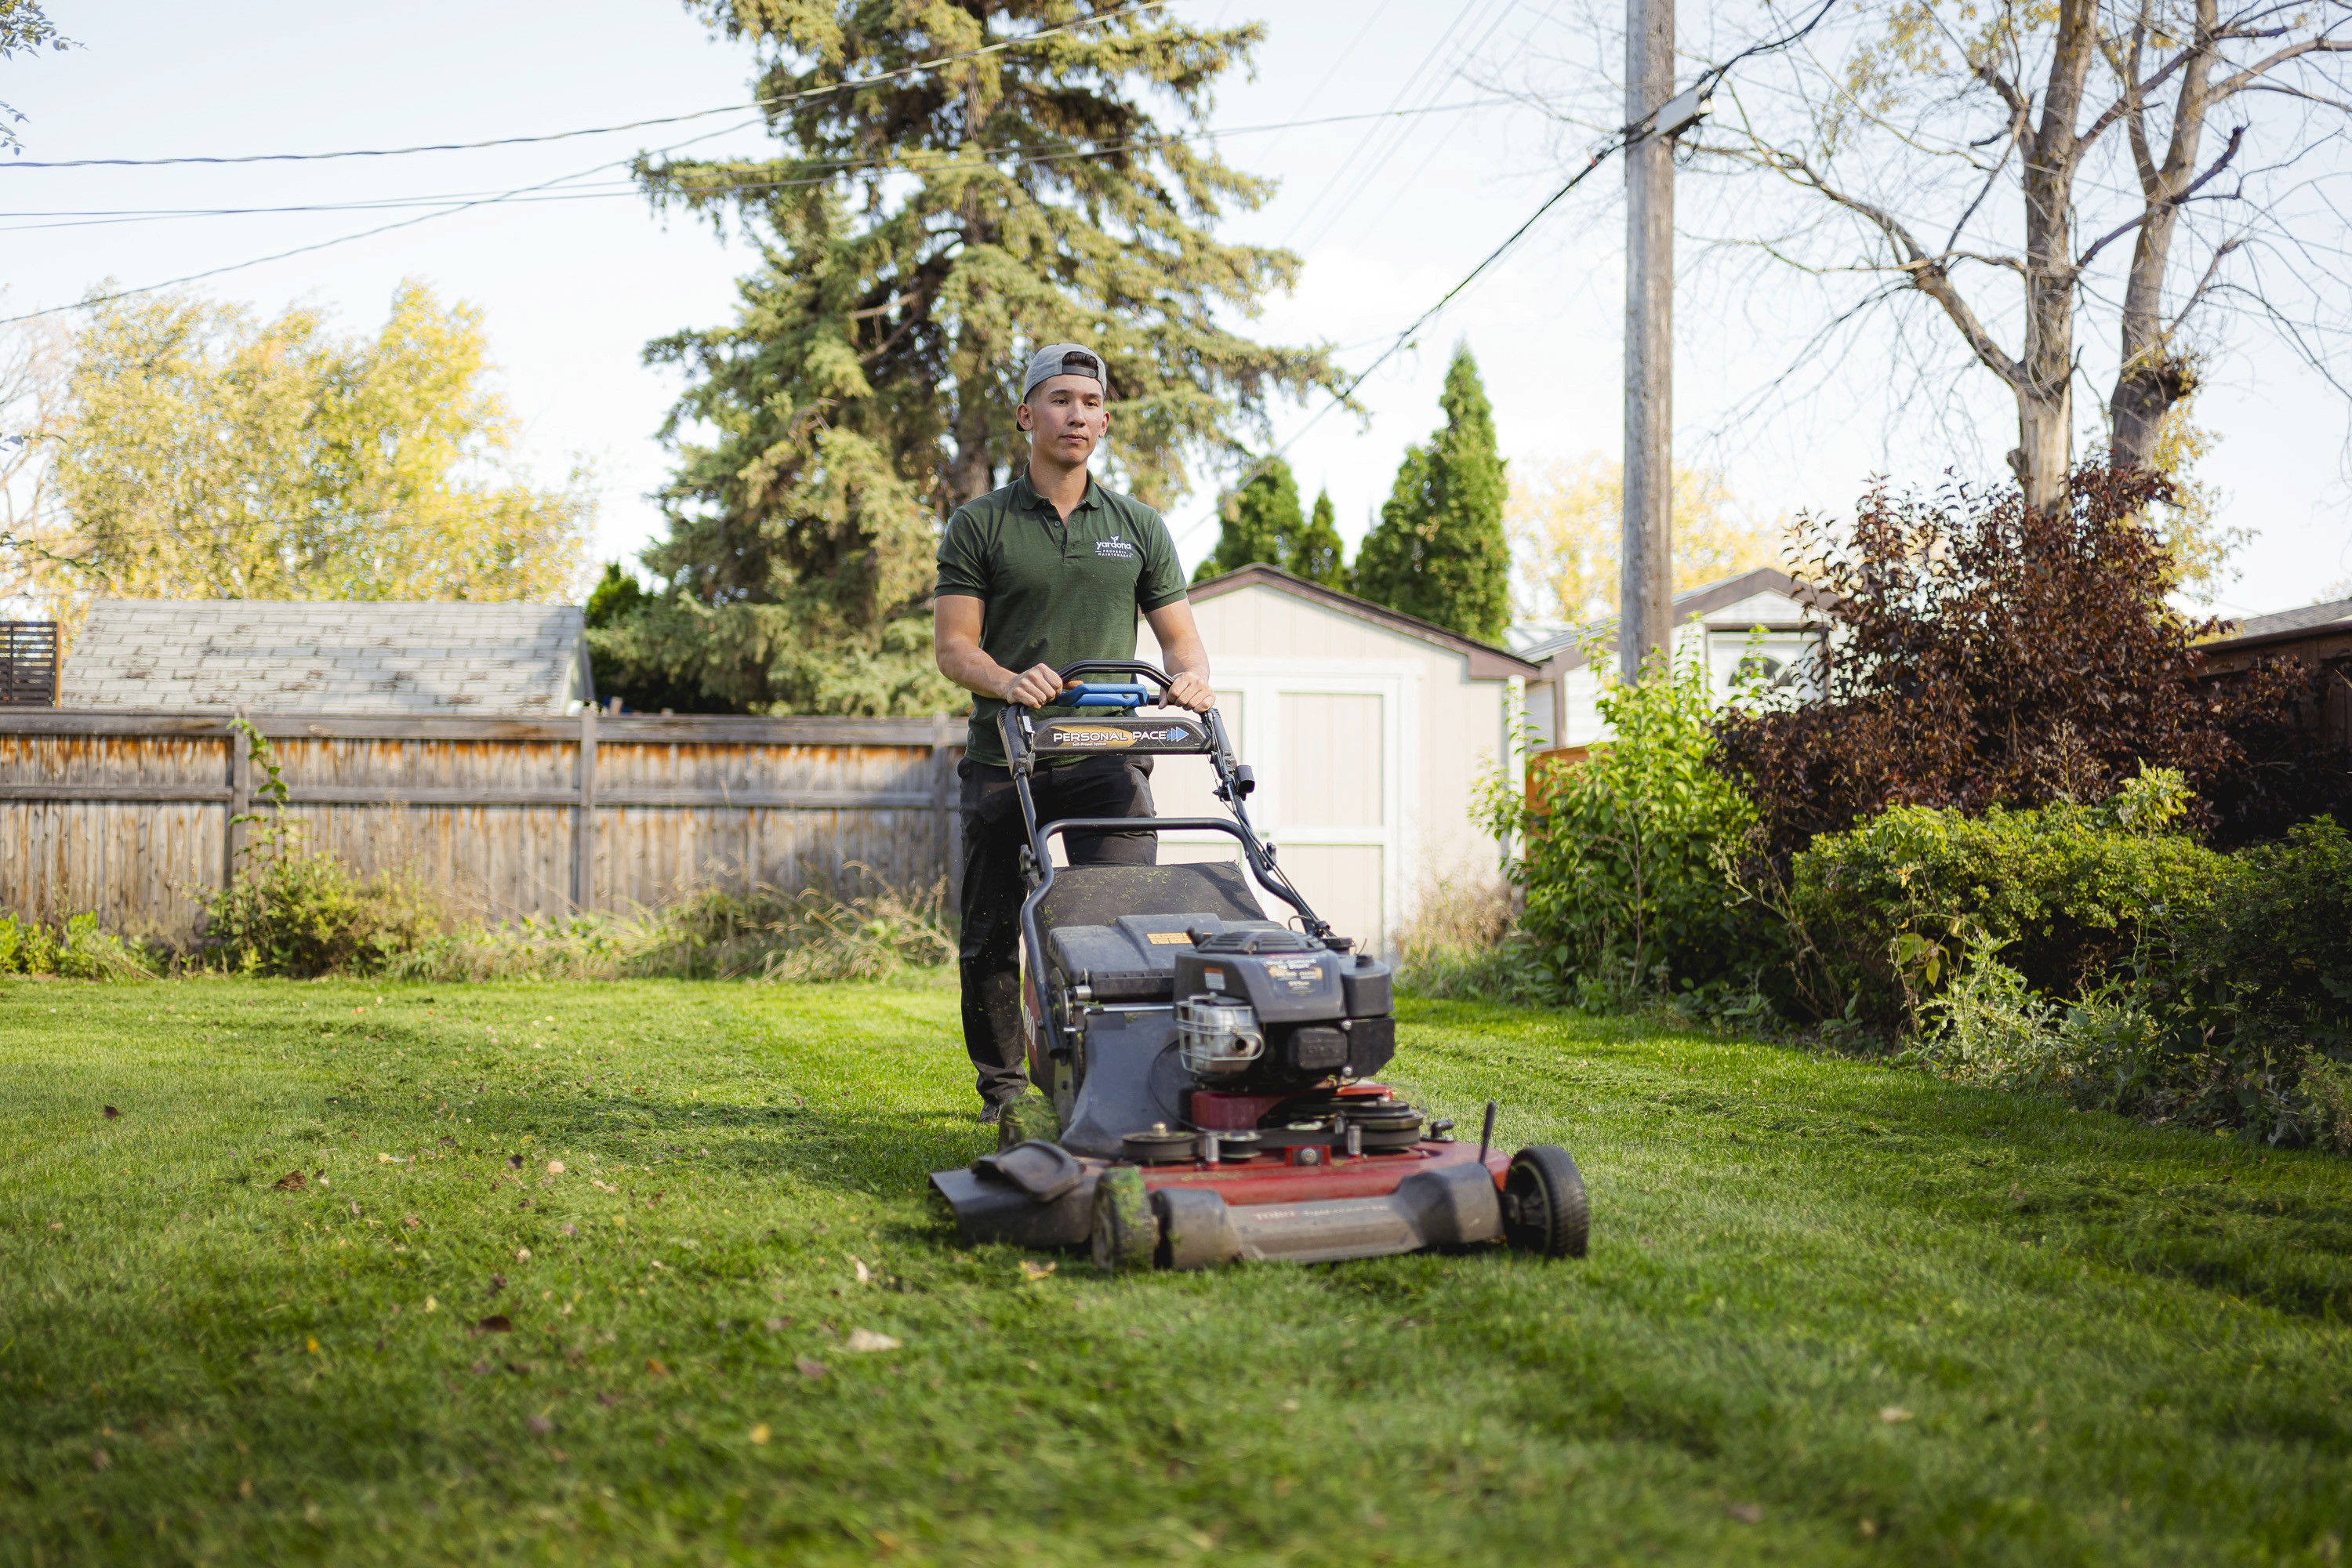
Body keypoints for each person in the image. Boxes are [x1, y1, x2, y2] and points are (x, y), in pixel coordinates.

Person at [935, 343, 1215, 1120]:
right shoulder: (980, 524)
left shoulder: (1138, 526)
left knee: (1119, 925)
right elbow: (955, 646)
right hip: (1007, 758)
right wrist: (1007, 681)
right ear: (1028, 415)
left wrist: (1189, 674)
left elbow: (1179, 637)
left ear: (1105, 420)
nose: (1077, 414)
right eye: (1061, 399)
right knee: (992, 933)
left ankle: (1110, 1085)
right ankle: (1004, 1094)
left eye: (1090, 402)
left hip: (1107, 756)